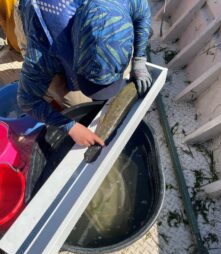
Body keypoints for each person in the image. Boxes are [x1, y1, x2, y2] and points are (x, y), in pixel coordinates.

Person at [14, 0, 152, 147]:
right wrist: (70, 126)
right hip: (36, 12)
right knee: (69, 99)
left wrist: (139, 60)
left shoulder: (124, 2)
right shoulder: (43, 49)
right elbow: (26, 100)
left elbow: (143, 14)